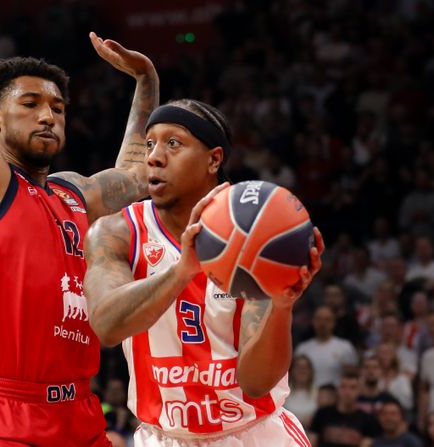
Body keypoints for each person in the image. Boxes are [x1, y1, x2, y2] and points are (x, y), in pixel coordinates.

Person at [0, 0, 159, 443]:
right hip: (1, 418)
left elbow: (138, 175)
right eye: (31, 103)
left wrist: (146, 81)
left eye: (58, 107)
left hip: (80, 413)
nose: (48, 115)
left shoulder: (75, 193)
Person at [83, 99, 324, 445]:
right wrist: (182, 271)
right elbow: (107, 327)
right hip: (164, 437)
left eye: (173, 143)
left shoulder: (254, 233)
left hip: (254, 433)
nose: (154, 157)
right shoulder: (117, 232)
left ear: (214, 159)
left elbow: (256, 383)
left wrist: (282, 306)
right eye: (149, 144)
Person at [308, 371, 381, 447]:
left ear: (359, 391)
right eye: (343, 387)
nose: (347, 392)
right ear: (338, 390)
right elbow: (312, 441)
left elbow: (366, 443)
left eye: (353, 388)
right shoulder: (322, 414)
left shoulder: (367, 420)